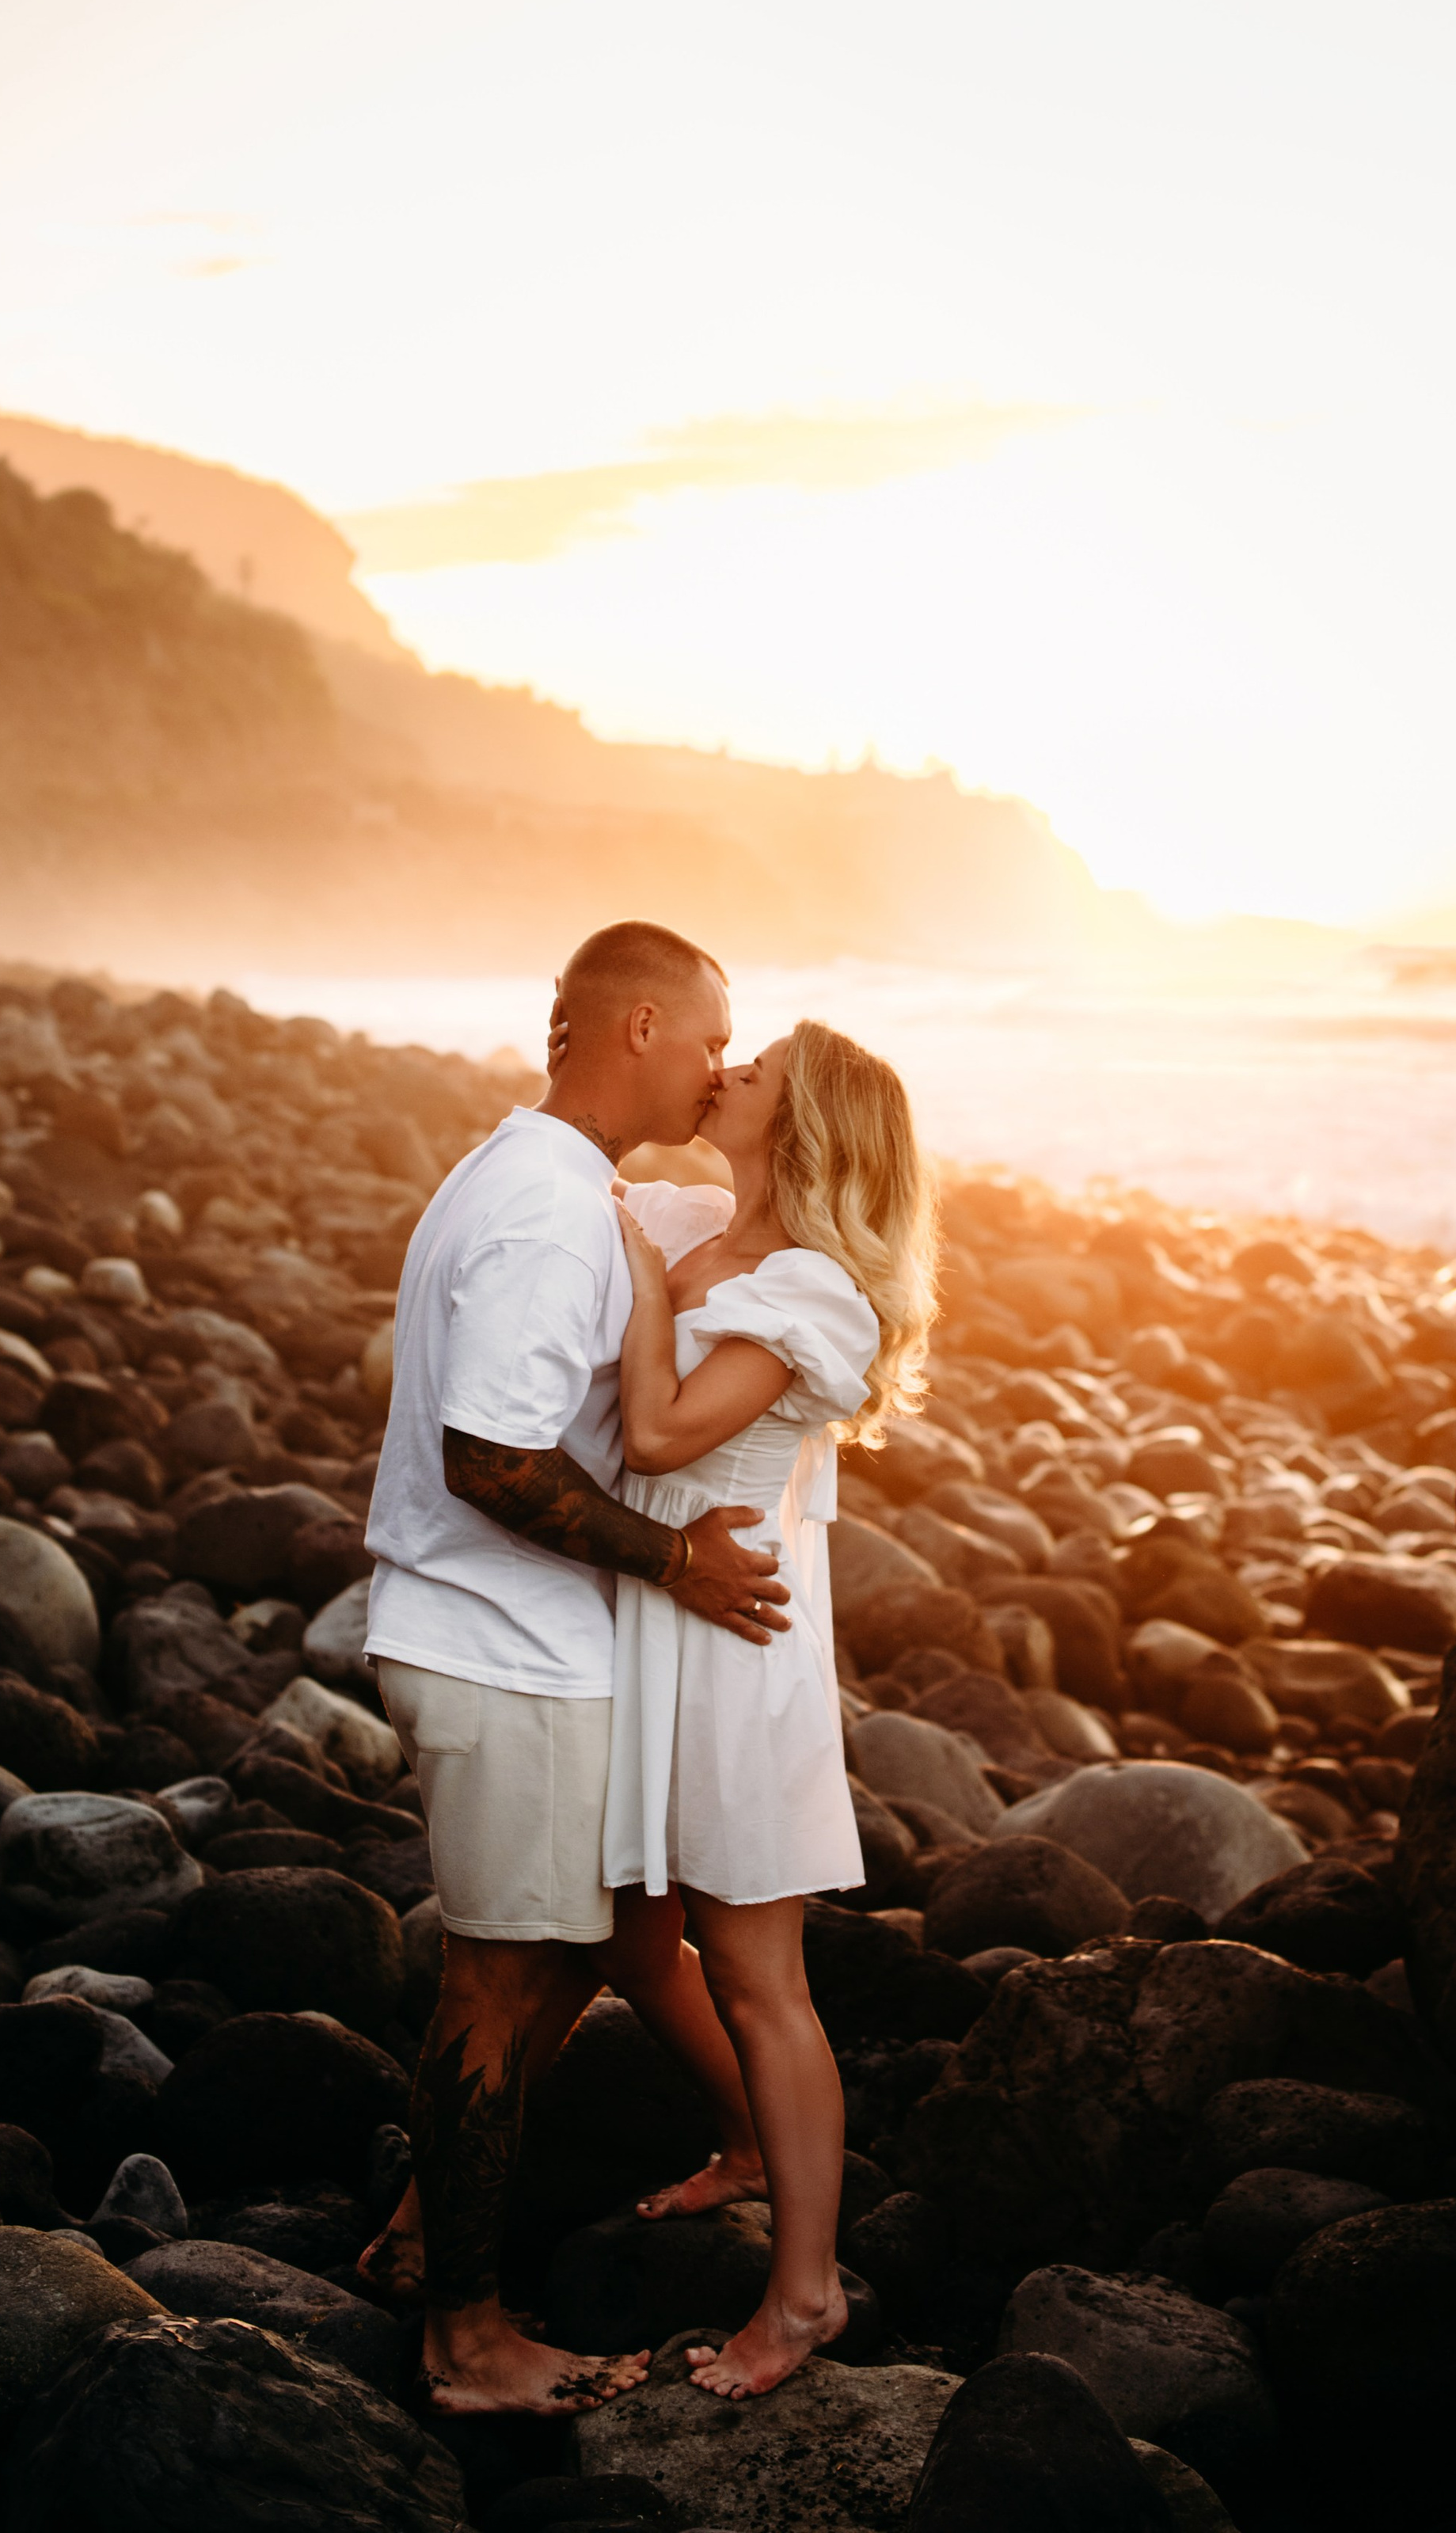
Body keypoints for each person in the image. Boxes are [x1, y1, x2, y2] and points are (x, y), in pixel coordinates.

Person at [355, 919, 793, 2419]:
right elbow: (490, 1457)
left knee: (561, 1945)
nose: (720, 1066)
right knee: (492, 1981)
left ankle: (428, 2249)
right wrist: (676, 1560)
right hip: (498, 1648)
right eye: (709, 1038)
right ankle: (467, 2342)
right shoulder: (545, 1213)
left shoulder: (545, 1178)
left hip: (511, 1642)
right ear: (640, 1027)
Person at [604, 1019, 937, 2398]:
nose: (729, 1070)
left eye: (762, 1072)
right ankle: (745, 2143)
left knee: (755, 1974)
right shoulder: (687, 1213)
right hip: (646, 1616)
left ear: (804, 1131)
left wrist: (633, 1286)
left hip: (730, 1644)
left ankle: (803, 2296)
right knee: (631, 1939)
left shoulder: (811, 1290)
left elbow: (662, 1435)